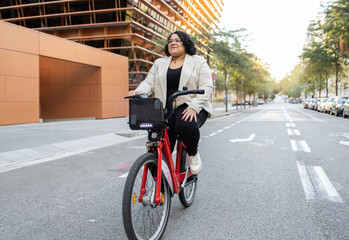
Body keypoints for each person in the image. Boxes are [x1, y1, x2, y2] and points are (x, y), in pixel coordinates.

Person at [128, 31, 213, 175]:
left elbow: (207, 87)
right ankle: (161, 186)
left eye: (177, 40)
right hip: (166, 110)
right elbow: (149, 83)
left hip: (191, 105)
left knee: (185, 124)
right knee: (156, 144)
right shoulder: (159, 63)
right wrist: (138, 92)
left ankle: (193, 153)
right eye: (170, 40)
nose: (172, 42)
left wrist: (194, 107)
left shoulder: (198, 61)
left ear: (185, 43)